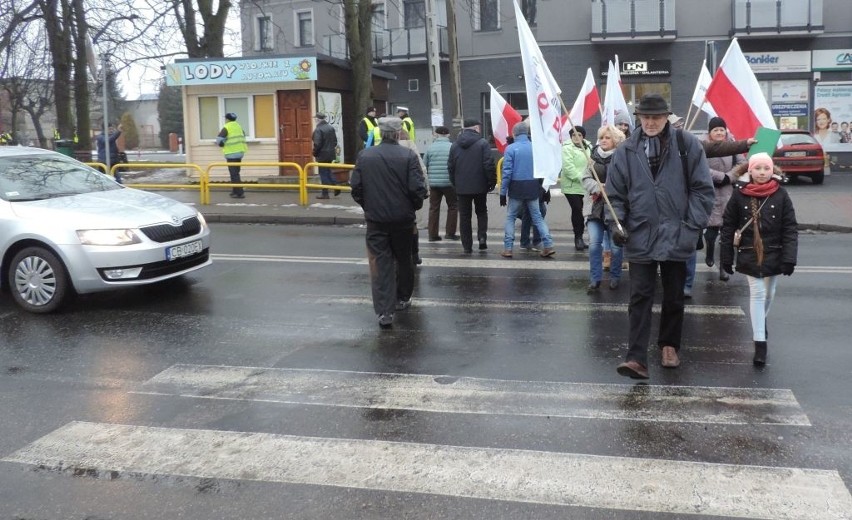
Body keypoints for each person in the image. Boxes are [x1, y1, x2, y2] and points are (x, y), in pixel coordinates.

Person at [607, 94, 714, 380]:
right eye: (646, 117)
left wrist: (691, 227)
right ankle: (635, 357)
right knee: (639, 296)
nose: (651, 122)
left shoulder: (686, 144)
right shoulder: (626, 150)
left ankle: (669, 345)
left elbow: (703, 190)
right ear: (638, 118)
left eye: (656, 117)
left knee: (674, 295)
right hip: (640, 233)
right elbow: (615, 195)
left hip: (678, 233)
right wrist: (615, 224)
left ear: (667, 116)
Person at [720, 152, 798, 366]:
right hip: (748, 251)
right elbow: (728, 227)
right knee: (758, 293)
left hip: (774, 251)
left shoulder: (781, 194)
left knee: (769, 293)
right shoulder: (739, 194)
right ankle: (760, 343)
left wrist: (789, 258)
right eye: (758, 168)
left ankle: (760, 321)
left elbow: (790, 227)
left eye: (766, 168)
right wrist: (726, 256)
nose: (762, 173)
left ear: (772, 170)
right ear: (750, 170)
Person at [350, 117, 428, 329]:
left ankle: (385, 311)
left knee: (381, 264)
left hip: (376, 220)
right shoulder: (408, 155)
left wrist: (369, 206)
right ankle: (403, 298)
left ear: (381, 133)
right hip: (403, 220)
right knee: (404, 259)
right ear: (398, 133)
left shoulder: (365, 156)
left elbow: (356, 188)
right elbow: (417, 189)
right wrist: (413, 207)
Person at [499, 120, 555, 258]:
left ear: (514, 133)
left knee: (511, 217)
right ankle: (547, 245)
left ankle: (508, 248)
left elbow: (507, 172)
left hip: (516, 187)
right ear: (527, 133)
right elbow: (544, 170)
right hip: (533, 187)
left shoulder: (510, 149)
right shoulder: (536, 147)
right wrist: (546, 190)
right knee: (537, 217)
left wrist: (502, 192)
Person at [582, 125, 626, 292]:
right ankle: (595, 279)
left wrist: (612, 188)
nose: (603, 140)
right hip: (595, 207)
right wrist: (598, 186)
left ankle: (615, 277)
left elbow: (627, 181)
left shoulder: (622, 158)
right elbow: (585, 178)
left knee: (616, 246)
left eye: (607, 137)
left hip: (615, 208)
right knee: (594, 244)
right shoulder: (592, 158)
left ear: (615, 140)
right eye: (601, 138)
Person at [703, 116, 745, 280]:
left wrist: (730, 176)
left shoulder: (733, 145)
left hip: (729, 194)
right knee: (711, 233)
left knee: (726, 235)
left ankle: (723, 267)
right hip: (710, 194)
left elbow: (742, 164)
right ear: (710, 133)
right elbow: (701, 168)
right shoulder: (704, 147)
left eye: (722, 129)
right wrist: (722, 177)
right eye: (716, 130)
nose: (719, 132)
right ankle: (709, 252)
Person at [448, 118, 496, 254]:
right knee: (481, 212)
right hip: (480, 186)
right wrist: (491, 181)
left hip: (462, 188)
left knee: (464, 216)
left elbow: (450, 167)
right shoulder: (482, 143)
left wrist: (455, 183)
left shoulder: (455, 145)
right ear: (475, 128)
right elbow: (488, 164)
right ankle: (481, 237)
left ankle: (467, 246)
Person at [399, 127, 429, 266]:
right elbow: (421, 170)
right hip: (407, 196)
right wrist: (425, 191)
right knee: (412, 225)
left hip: (385, 198)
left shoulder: (376, 151)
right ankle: (414, 254)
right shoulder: (411, 149)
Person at [424, 126, 459, 242]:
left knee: (433, 208)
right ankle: (450, 233)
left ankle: (433, 235)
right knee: (453, 206)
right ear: (448, 135)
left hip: (434, 184)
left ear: (436, 134)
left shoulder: (430, 148)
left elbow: (425, 165)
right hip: (449, 183)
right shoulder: (453, 147)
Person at [560, 125, 591, 251]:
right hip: (572, 186)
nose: (576, 137)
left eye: (579, 135)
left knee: (585, 211)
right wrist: (583, 178)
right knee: (577, 210)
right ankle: (578, 238)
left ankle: (582, 237)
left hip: (586, 186)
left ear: (583, 136)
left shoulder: (588, 146)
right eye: (574, 135)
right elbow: (568, 168)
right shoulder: (567, 148)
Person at [216, 113, 246, 198]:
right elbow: (243, 136)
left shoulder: (227, 127)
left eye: (225, 118)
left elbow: (219, 140)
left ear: (228, 119)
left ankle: (239, 193)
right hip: (240, 152)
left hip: (231, 153)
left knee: (234, 174)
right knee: (236, 173)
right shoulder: (239, 126)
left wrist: (222, 144)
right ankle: (235, 190)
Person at [312, 113, 338, 199]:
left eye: (315, 118)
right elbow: (335, 142)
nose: (314, 120)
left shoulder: (318, 129)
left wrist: (315, 153)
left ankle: (325, 193)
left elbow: (317, 143)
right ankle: (336, 185)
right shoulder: (330, 128)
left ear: (318, 119)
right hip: (330, 154)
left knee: (323, 173)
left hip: (322, 154)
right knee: (328, 171)